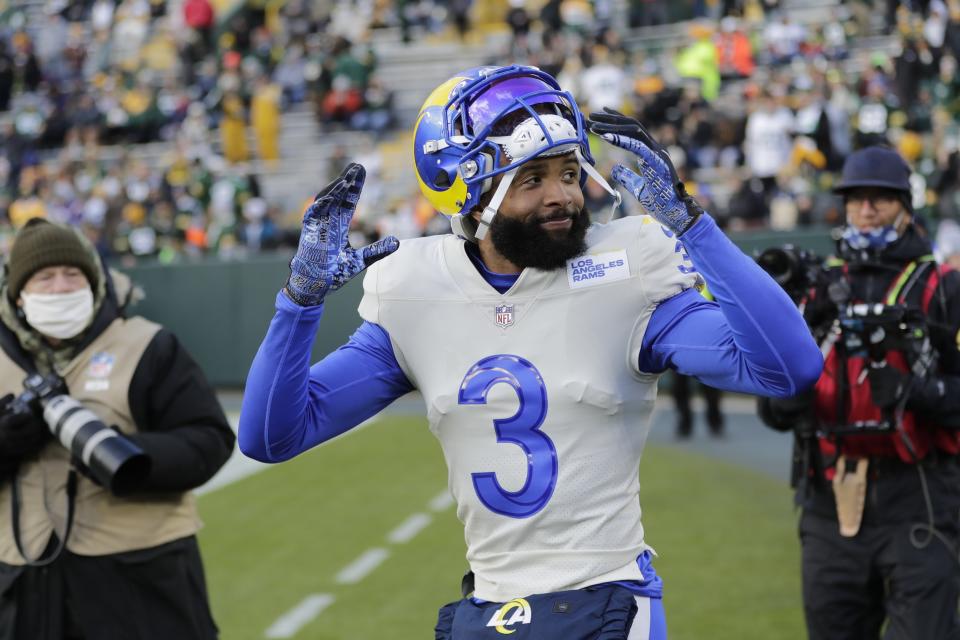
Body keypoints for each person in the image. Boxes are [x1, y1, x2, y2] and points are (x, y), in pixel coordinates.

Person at [239, 65, 822, 638]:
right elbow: (272, 435)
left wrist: (694, 227)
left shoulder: (627, 270)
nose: (562, 196)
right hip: (492, 609)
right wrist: (300, 300)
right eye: (532, 178)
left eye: (570, 173)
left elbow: (787, 367)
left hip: (610, 599)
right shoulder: (416, 288)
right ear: (471, 194)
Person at [758, 146, 960, 640]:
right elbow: (775, 410)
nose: (866, 210)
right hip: (829, 497)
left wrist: (919, 391)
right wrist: (795, 390)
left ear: (905, 206)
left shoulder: (943, 287)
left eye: (880, 199)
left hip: (921, 494)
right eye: (857, 199)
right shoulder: (817, 288)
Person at [0, 219, 235, 639]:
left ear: (94, 282)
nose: (59, 288)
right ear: (18, 295)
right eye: (44, 277)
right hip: (23, 584)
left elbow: (210, 440)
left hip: (139, 576)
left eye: (72, 274)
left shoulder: (147, 345)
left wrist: (125, 455)